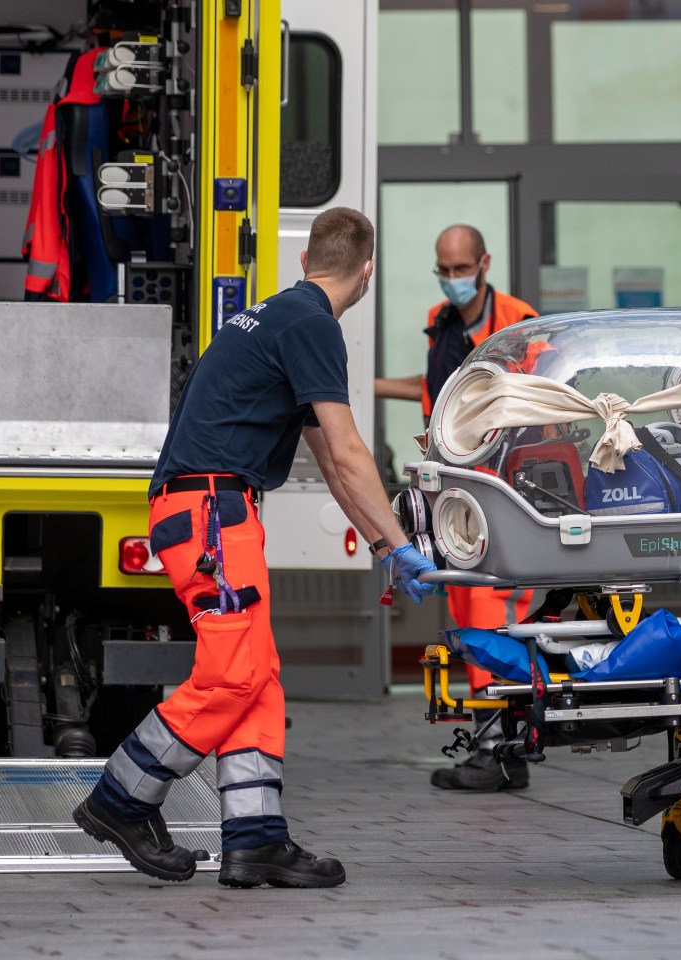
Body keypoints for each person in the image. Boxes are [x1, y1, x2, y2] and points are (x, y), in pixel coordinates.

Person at [71, 207, 438, 888]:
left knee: (257, 673)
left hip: (207, 511)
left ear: (304, 262)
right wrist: (400, 539)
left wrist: (387, 550)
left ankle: (255, 838)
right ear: (367, 271)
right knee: (233, 674)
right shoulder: (314, 327)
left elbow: (331, 460)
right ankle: (120, 797)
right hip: (211, 514)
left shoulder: (276, 317)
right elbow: (354, 451)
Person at [375, 224, 539, 792]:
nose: (452, 281)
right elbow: (437, 390)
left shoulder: (519, 325)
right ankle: (497, 747)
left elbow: (538, 408)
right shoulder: (442, 325)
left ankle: (500, 749)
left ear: (484, 263)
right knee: (472, 615)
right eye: (443, 270)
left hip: (503, 493)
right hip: (456, 493)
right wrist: (369, 386)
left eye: (460, 269)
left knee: (494, 616)